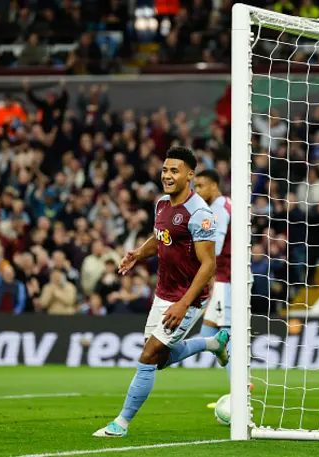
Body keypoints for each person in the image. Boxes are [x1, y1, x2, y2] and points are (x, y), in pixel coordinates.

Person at [93, 147, 229, 438]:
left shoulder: (200, 214)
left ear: (190, 175)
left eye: (174, 170)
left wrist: (183, 304)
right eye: (165, 170)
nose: (167, 175)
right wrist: (138, 254)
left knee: (149, 355)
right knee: (159, 358)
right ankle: (213, 344)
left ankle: (121, 424)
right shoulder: (161, 204)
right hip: (163, 292)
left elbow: (208, 266)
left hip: (188, 297)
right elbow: (160, 238)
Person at [194, 169, 232, 403]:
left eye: (200, 186)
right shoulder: (229, 204)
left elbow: (214, 251)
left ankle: (241, 393)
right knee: (207, 334)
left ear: (214, 186)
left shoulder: (217, 210)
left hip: (228, 282)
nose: (197, 191)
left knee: (229, 339)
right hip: (223, 282)